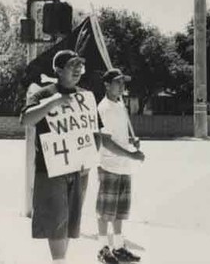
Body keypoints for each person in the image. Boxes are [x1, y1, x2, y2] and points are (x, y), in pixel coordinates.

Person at [20, 49, 101, 264]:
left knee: (70, 222)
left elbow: (95, 132)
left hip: (79, 169)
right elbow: (26, 119)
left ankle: (61, 260)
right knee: (56, 220)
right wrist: (52, 103)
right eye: (72, 65)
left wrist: (90, 161)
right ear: (58, 70)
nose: (77, 70)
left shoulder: (85, 96)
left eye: (80, 66)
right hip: (51, 169)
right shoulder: (43, 94)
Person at [96, 68, 145, 264]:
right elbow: (106, 142)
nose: (122, 86)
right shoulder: (104, 107)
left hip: (124, 166)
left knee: (119, 212)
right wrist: (131, 155)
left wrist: (131, 140)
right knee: (105, 211)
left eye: (123, 82)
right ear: (107, 85)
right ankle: (102, 248)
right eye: (118, 82)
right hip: (109, 165)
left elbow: (119, 134)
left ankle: (118, 247)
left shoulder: (120, 105)